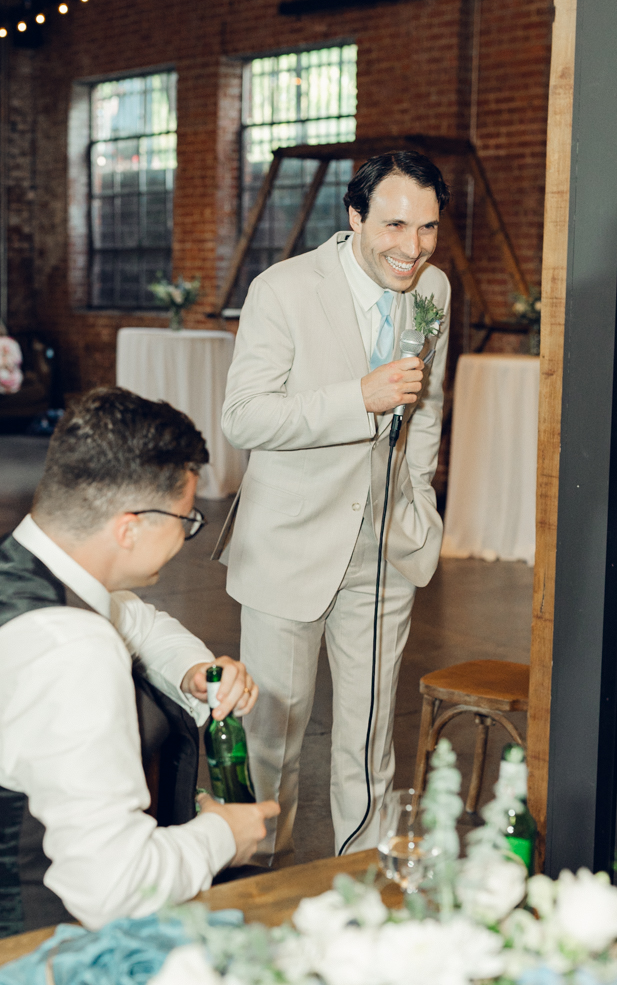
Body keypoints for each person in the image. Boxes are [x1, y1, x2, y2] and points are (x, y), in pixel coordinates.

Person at [0, 386, 278, 955]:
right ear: (129, 526)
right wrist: (223, 835)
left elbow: (136, 619)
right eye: (187, 520)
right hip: (32, 950)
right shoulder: (72, 648)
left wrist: (194, 670)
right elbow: (115, 889)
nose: (185, 537)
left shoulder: (6, 566)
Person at [221, 150, 451, 867]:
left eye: (426, 228)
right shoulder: (284, 289)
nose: (409, 248)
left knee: (368, 736)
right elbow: (244, 418)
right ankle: (260, 880)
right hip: (289, 545)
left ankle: (365, 882)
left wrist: (416, 504)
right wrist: (358, 395)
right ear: (353, 218)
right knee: (272, 742)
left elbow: (429, 406)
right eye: (392, 225)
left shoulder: (433, 289)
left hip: (385, 548)